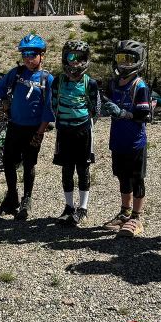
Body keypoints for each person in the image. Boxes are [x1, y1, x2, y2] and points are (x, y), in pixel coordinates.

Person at [0, 34, 56, 221]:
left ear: (41, 55)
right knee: (8, 161)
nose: (28, 58)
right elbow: (1, 88)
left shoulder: (47, 79)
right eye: (25, 54)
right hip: (15, 125)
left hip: (34, 129)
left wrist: (41, 132)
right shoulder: (17, 73)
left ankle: (27, 198)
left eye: (32, 54)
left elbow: (49, 107)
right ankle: (11, 196)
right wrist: (5, 102)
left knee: (29, 164)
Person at [100, 40, 153, 238]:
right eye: (121, 59)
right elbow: (104, 102)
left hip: (135, 141)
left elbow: (143, 115)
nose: (124, 64)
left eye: (129, 59)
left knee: (137, 178)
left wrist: (123, 113)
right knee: (122, 177)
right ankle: (125, 212)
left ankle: (137, 217)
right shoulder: (113, 83)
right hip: (118, 140)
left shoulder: (139, 86)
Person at [51, 40, 101, 227]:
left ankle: (83, 208)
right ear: (65, 58)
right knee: (66, 169)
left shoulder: (90, 83)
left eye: (80, 58)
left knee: (83, 169)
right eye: (71, 57)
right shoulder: (58, 81)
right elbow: (53, 103)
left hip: (83, 131)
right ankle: (69, 206)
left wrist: (84, 122)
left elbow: (95, 109)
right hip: (64, 130)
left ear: (86, 60)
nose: (75, 63)